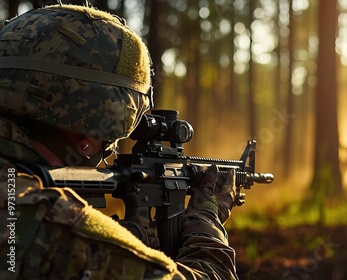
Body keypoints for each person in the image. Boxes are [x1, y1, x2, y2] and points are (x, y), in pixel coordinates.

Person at [0, 3, 238, 279]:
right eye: (109, 136)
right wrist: (206, 221)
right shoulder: (41, 220)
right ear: (87, 131)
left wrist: (127, 237)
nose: (108, 147)